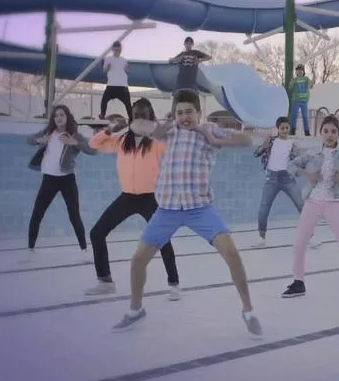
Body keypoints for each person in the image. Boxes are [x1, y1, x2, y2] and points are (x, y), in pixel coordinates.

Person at [111, 90, 262, 338]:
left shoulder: (209, 130)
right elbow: (136, 125)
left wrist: (215, 140)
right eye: (180, 112)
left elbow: (246, 139)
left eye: (189, 112)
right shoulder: (169, 131)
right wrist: (156, 128)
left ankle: (248, 311)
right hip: (167, 210)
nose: (185, 117)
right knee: (138, 260)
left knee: (232, 253)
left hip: (199, 208)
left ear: (198, 113)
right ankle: (135, 310)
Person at [85, 98, 181, 300]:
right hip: (127, 197)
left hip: (150, 199)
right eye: (136, 116)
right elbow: (93, 144)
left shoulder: (156, 142)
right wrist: (110, 130)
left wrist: (167, 127)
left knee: (162, 239)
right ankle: (105, 282)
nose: (140, 120)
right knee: (96, 233)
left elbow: (175, 144)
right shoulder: (122, 141)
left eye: (144, 116)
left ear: (150, 118)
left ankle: (174, 284)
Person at [281, 116, 339, 300]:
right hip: (312, 201)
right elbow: (290, 165)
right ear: (320, 133)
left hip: (333, 202)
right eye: (326, 131)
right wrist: (307, 174)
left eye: (333, 131)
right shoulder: (311, 153)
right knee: (299, 244)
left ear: (338, 134)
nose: (329, 135)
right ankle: (298, 282)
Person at [26, 105, 97, 259]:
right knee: (37, 213)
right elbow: (29, 139)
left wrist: (74, 143)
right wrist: (39, 140)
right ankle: (30, 249)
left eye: (62, 115)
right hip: (48, 180)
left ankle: (84, 249)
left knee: (74, 215)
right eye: (56, 115)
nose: (58, 118)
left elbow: (93, 150)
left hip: (67, 180)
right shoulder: (48, 133)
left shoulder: (74, 135)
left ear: (67, 117)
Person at [252, 116, 320, 249]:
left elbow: (298, 162)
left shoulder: (292, 144)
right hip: (271, 178)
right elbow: (256, 154)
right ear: (278, 129)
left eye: (286, 128)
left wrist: (299, 156)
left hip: (287, 178)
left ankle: (310, 237)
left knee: (301, 205)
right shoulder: (271, 141)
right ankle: (261, 237)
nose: (284, 130)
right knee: (264, 208)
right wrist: (263, 146)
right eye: (282, 128)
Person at [99, 41, 132, 121]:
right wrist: (108, 67)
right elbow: (104, 70)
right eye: (116, 50)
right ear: (113, 50)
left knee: (128, 103)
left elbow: (127, 72)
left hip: (122, 86)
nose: (117, 52)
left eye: (118, 50)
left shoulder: (124, 60)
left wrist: (127, 70)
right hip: (111, 85)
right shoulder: (108, 59)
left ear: (120, 50)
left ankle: (131, 117)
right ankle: (102, 114)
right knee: (104, 100)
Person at [288, 64, 313, 136]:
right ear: (296, 72)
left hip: (304, 101)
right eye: (298, 70)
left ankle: (307, 131)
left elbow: (311, 86)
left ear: (303, 71)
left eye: (301, 70)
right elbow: (290, 88)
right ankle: (292, 130)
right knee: (294, 115)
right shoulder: (294, 79)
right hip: (296, 100)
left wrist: (311, 83)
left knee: (305, 116)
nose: (299, 71)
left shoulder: (306, 79)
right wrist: (292, 83)